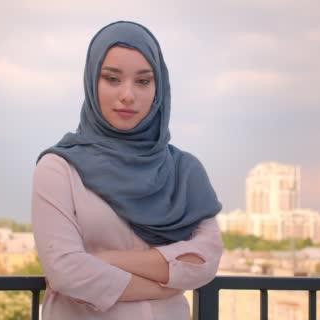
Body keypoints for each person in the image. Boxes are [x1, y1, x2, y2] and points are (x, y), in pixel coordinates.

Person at [31, 21, 223, 319]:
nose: (128, 95)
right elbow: (66, 271)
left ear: (159, 88)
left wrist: (104, 259)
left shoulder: (183, 171)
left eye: (143, 81)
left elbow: (205, 260)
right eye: (112, 79)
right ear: (92, 82)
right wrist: (164, 285)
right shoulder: (59, 169)